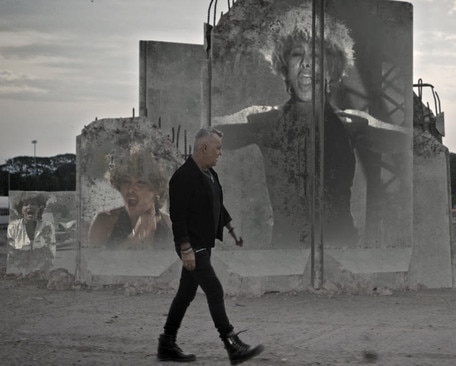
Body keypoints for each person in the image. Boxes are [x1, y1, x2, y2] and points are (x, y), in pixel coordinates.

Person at [215, 4, 408, 248]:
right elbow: (204, 131)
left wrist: (426, 136)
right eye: (297, 54)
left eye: (316, 56)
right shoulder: (264, 120)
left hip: (340, 249)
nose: (306, 62)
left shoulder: (351, 123)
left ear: (330, 70)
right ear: (285, 67)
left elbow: (407, 143)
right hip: (286, 252)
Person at [157, 127, 264, 364]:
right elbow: (178, 217)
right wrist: (185, 249)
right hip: (192, 245)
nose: (220, 153)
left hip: (203, 243)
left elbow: (216, 204)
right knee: (214, 290)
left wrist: (232, 230)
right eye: (217, 148)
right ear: (203, 148)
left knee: (186, 293)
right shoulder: (183, 177)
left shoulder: (210, 174)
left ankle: (166, 342)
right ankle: (232, 345)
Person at [88, 145, 172, 249]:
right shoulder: (104, 221)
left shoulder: (171, 225)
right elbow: (94, 263)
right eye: (126, 181)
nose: (130, 189)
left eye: (140, 182)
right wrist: (133, 240)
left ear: (156, 189)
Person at [7, 193, 57, 272]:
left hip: (42, 270)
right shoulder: (12, 227)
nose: (29, 207)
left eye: (33, 204)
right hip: (19, 271)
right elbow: (10, 255)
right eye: (26, 204)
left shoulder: (47, 226)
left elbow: (52, 251)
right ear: (21, 209)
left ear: (39, 208)